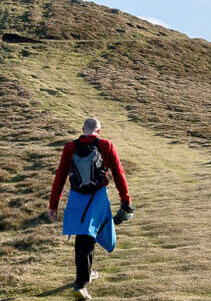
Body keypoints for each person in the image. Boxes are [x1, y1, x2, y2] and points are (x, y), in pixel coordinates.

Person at [49, 118, 132, 300]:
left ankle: (85, 274)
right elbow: (118, 173)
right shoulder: (106, 145)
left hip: (76, 197)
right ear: (99, 131)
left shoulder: (70, 147)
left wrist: (53, 204)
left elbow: (61, 176)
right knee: (88, 236)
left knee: (83, 235)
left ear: (83, 129)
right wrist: (125, 199)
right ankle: (81, 284)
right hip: (97, 196)